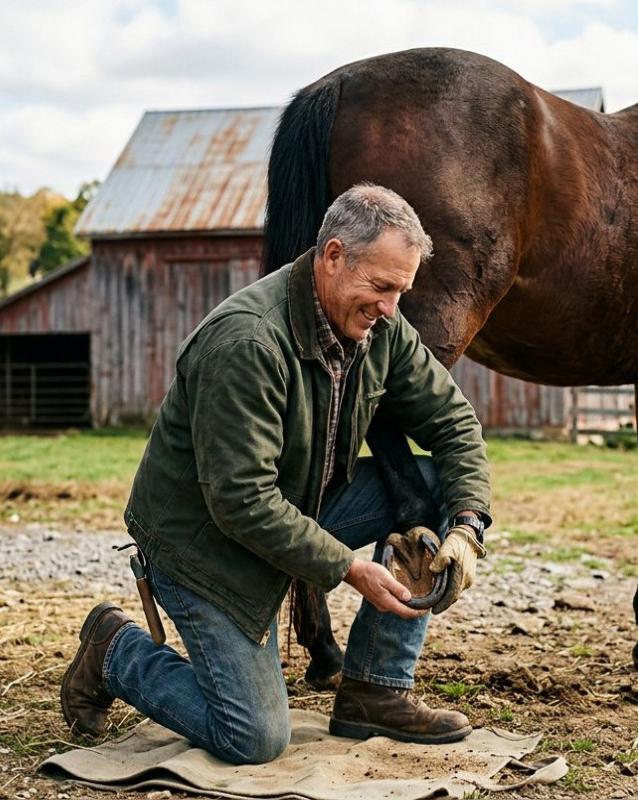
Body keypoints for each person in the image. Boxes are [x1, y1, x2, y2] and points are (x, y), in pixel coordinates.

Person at [59, 183, 492, 764]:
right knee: (254, 739)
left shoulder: (381, 328)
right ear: (333, 257)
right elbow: (240, 500)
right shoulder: (248, 341)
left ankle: (374, 691)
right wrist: (347, 566)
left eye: (401, 291)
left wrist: (466, 528)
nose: (391, 308)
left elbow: (454, 422)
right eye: (382, 287)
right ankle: (115, 651)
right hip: (206, 546)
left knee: (440, 486)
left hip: (299, 507)